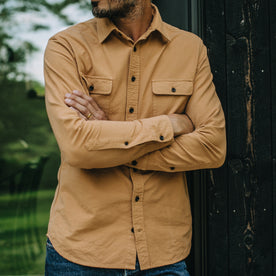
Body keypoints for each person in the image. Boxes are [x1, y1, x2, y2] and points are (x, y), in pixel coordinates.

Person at [44, 0, 226, 275]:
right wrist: (170, 124)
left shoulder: (190, 48)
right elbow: (78, 148)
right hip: (80, 254)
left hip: (163, 255)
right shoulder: (66, 46)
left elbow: (212, 147)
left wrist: (107, 137)